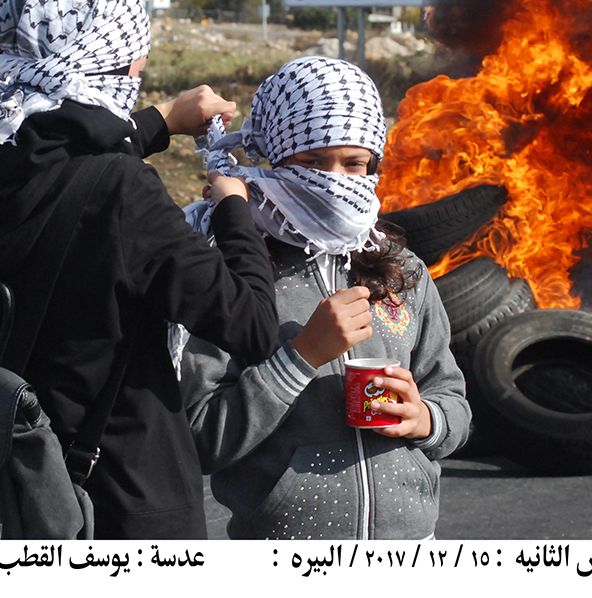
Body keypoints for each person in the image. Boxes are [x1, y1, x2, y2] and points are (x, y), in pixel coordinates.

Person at [0, 0, 278, 539]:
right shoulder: (120, 192)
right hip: (125, 499)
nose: (136, 71)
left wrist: (161, 120)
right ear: (92, 60)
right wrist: (234, 211)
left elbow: (62, 158)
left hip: (13, 483)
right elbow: (251, 324)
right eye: (129, 61)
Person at [180, 56, 471, 540]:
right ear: (274, 157)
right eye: (312, 162)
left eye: (353, 163)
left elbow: (453, 400)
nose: (335, 179)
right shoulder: (232, 272)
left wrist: (426, 420)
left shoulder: (403, 270)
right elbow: (200, 436)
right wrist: (300, 358)